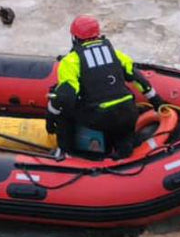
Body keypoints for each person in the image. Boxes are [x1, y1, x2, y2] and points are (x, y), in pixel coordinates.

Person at [47, 15, 163, 158]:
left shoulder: (70, 62)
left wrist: (51, 117)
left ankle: (65, 152)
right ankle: (125, 155)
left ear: (74, 37)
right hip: (128, 113)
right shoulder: (115, 54)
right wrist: (157, 102)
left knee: (64, 112)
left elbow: (66, 97)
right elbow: (138, 79)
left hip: (99, 117)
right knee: (123, 131)